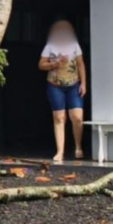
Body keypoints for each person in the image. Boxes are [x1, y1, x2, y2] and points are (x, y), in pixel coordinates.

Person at [38, 19, 87, 162]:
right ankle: (60, 151)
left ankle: (78, 147)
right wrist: (54, 64)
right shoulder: (50, 46)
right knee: (59, 118)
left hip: (73, 84)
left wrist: (83, 83)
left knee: (77, 117)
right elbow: (41, 65)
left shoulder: (74, 45)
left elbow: (80, 64)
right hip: (55, 85)